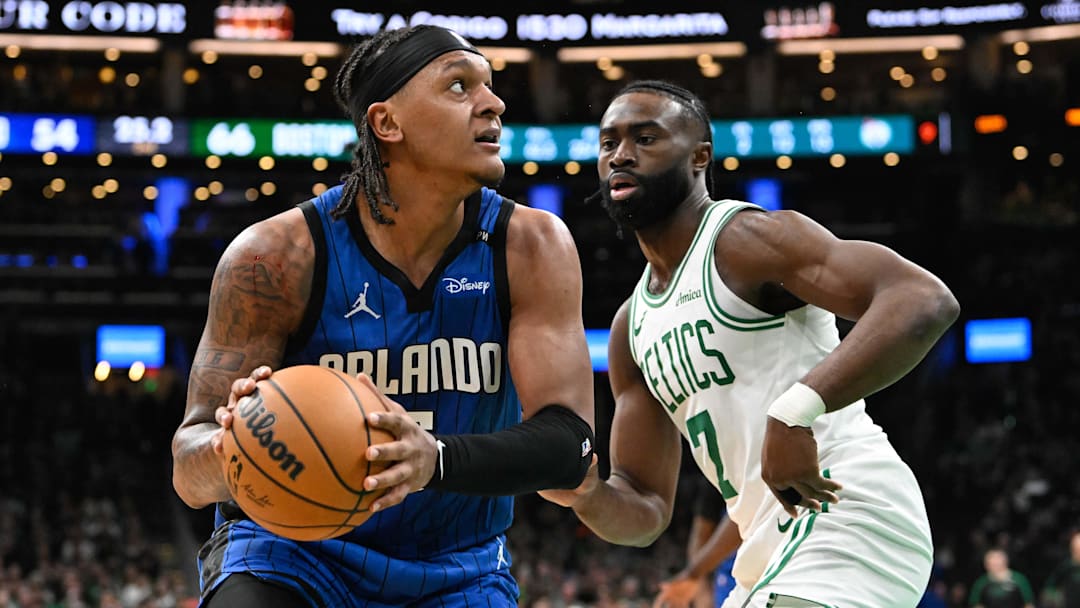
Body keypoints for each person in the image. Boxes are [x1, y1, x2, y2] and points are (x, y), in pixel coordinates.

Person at [170, 25, 595, 607]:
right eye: (457, 86)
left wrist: (436, 459)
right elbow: (187, 466)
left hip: (458, 566)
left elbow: (569, 447)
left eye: (490, 87)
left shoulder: (533, 245)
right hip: (291, 554)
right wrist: (240, 447)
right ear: (386, 123)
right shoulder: (274, 256)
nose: (493, 103)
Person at [540, 80, 959, 607]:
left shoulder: (744, 241)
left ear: (699, 157)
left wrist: (794, 412)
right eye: (609, 143)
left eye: (646, 139)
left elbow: (923, 299)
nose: (622, 154)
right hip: (764, 553)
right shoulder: (631, 327)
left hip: (844, 513)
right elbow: (645, 511)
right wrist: (588, 494)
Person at [654, 475, 738, 608]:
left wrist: (694, 574)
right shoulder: (715, 471)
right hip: (730, 579)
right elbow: (701, 532)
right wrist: (702, 589)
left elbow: (742, 522)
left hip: (770, 567)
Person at [968, 548, 1035, 608]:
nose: (995, 562)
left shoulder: (1019, 579)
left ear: (1005, 561)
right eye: (991, 561)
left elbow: (1028, 604)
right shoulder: (981, 582)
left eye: (997, 559)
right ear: (986, 564)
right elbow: (976, 604)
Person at [1042, 532, 1080, 608]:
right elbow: (1049, 587)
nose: (1076, 553)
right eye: (1075, 550)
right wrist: (1056, 598)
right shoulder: (1067, 566)